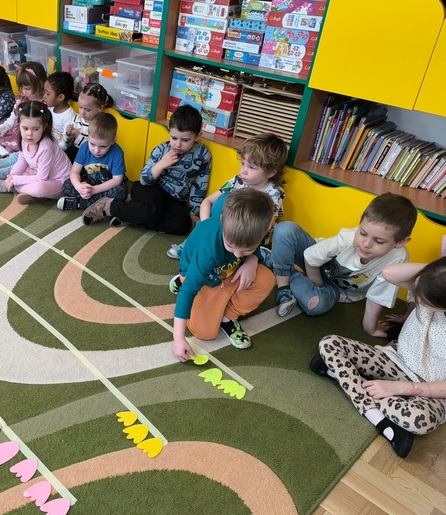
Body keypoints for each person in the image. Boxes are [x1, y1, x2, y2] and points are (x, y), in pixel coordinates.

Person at [312, 257, 446, 458]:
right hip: (394, 360)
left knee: (419, 420)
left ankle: (342, 377)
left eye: (424, 300)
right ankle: (381, 421)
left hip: (429, 388)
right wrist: (434, 272)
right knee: (329, 343)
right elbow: (389, 272)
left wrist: (401, 388)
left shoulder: (435, 295)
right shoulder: (431, 287)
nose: (417, 300)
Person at [271, 193, 417, 336]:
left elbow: (377, 296)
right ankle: (283, 287)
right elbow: (310, 258)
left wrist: (370, 329)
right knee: (284, 229)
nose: (366, 244)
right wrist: (317, 285)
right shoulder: (349, 238)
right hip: (315, 265)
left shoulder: (398, 258)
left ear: (400, 242)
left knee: (315, 305)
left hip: (336, 289)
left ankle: (277, 264)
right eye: (363, 233)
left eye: (379, 241)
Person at [172, 188, 277, 359]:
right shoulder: (209, 250)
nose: (238, 254)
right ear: (222, 219)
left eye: (247, 249)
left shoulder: (251, 229)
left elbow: (250, 250)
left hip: (226, 273)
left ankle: (227, 319)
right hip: (206, 277)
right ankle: (182, 279)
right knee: (204, 332)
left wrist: (251, 260)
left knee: (266, 279)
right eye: (231, 246)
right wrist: (178, 339)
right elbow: (188, 292)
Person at [82, 105, 211, 234]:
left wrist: (194, 212)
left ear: (198, 135)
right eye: (174, 138)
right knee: (152, 210)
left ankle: (132, 216)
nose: (178, 144)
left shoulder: (203, 155)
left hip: (174, 199)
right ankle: (108, 206)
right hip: (150, 189)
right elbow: (144, 179)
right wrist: (160, 165)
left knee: (181, 224)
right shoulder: (162, 149)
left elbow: (200, 186)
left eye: (185, 140)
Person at [167, 133, 288, 260]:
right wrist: (205, 225)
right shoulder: (238, 181)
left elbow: (265, 227)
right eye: (243, 163)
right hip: (223, 228)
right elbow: (207, 201)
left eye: (252, 167)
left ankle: (229, 252)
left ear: (271, 172)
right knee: (224, 199)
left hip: (248, 238)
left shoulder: (275, 193)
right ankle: (196, 243)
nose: (243, 171)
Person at [0, 100, 71, 205]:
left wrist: (16, 180)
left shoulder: (46, 148)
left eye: (35, 129)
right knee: (20, 171)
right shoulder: (24, 140)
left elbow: (41, 178)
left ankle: (17, 188)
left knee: (39, 189)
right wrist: (12, 175)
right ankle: (25, 191)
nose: (29, 134)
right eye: (25, 128)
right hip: (40, 173)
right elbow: (22, 160)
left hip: (60, 182)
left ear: (44, 127)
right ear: (19, 125)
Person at [57, 112, 128, 211]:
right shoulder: (84, 147)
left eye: (103, 146)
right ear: (88, 135)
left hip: (106, 187)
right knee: (67, 185)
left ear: (113, 140)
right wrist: (79, 187)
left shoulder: (117, 152)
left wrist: (94, 190)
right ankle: (98, 204)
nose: (96, 150)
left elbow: (117, 180)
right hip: (88, 183)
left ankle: (79, 203)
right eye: (92, 144)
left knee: (120, 192)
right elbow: (74, 172)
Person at [0, 61, 47, 157]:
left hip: (28, 137)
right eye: (21, 88)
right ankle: (6, 153)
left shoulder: (45, 104)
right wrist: (0, 130)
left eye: (27, 89)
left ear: (40, 84)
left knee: (24, 144)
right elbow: (11, 120)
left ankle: (12, 154)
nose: (24, 92)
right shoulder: (21, 101)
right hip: (13, 133)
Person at [64, 82, 114, 163]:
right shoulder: (77, 118)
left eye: (87, 110)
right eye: (80, 107)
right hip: (74, 152)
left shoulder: (99, 125)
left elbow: (93, 150)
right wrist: (68, 135)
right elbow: (67, 144)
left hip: (89, 158)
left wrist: (78, 136)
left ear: (100, 108)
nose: (82, 112)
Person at [43, 71, 75, 152]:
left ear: (60, 97)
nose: (44, 96)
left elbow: (65, 145)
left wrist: (50, 150)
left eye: (47, 94)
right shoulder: (49, 108)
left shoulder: (69, 116)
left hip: (57, 152)